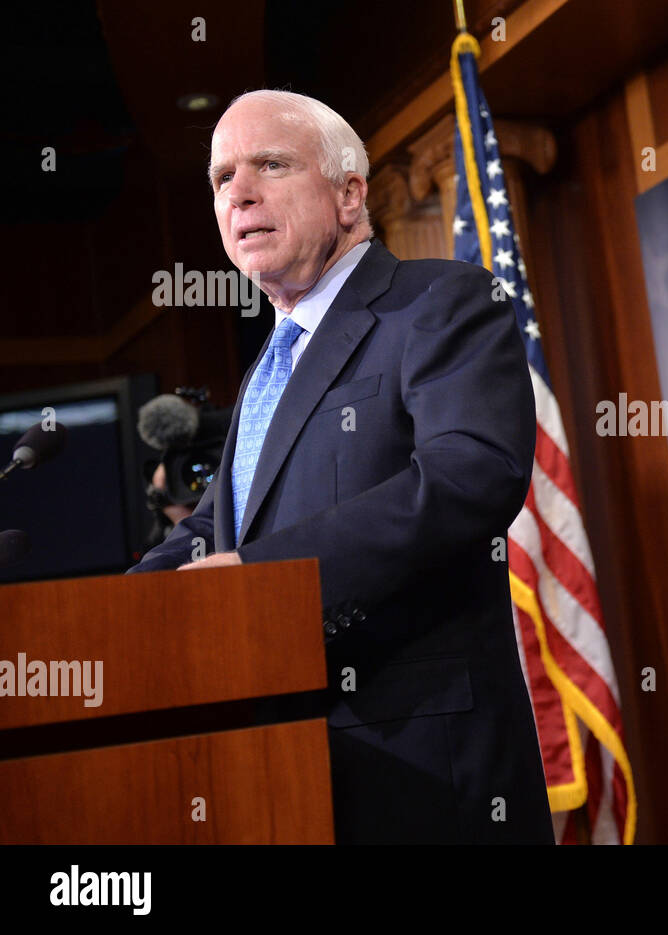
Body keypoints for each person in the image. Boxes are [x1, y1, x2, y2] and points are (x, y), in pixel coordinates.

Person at [127, 89, 552, 844]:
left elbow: (468, 475)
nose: (240, 192)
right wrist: (111, 616)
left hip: (424, 771)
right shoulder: (270, 362)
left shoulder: (437, 303)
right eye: (223, 178)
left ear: (351, 193)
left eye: (270, 164)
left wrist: (263, 579)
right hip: (284, 771)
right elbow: (218, 526)